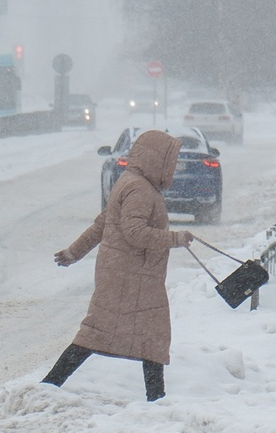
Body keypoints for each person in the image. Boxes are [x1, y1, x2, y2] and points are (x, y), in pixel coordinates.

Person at [45, 129, 191, 402]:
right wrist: (175, 238)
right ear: (157, 159)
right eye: (171, 159)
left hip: (127, 274)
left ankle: (156, 398)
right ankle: (155, 399)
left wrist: (73, 252)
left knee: (132, 334)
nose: (172, 166)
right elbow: (134, 233)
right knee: (109, 333)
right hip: (131, 276)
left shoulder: (131, 182)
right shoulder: (140, 189)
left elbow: (102, 223)